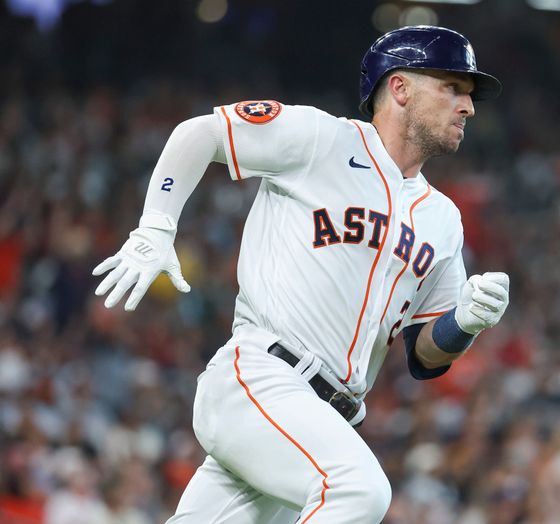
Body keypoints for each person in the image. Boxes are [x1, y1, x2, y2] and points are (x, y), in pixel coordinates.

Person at [92, 25, 510, 523]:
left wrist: (464, 322)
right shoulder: (322, 139)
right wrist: (156, 228)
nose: (468, 106)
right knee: (357, 489)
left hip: (319, 419)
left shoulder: (443, 219)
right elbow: (200, 133)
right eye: (452, 88)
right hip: (263, 377)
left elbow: (424, 355)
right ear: (399, 87)